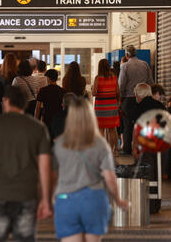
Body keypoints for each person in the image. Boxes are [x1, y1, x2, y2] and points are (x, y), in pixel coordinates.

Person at [0, 86, 53, 242]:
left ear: (7, 101)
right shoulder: (38, 128)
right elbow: (45, 167)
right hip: (26, 194)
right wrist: (45, 199)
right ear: (25, 104)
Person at [52, 98, 129, 242]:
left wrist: (49, 198)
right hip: (93, 198)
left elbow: (53, 175)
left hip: (66, 200)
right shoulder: (100, 143)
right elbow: (109, 176)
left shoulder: (60, 143)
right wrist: (118, 199)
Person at [130, 83, 165, 214]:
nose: (135, 97)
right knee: (157, 172)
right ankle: (156, 204)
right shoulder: (160, 106)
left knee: (146, 172)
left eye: (136, 94)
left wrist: (134, 147)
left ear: (139, 94)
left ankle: (147, 204)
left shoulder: (139, 107)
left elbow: (136, 129)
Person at [118, 45, 154, 155]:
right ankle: (143, 148)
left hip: (130, 99)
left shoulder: (125, 66)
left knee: (128, 125)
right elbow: (150, 82)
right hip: (144, 99)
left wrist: (122, 98)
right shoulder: (145, 64)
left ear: (126, 54)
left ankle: (128, 149)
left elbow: (121, 85)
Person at [92, 59, 120, 156]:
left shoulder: (98, 78)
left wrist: (93, 88)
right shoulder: (114, 77)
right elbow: (117, 92)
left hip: (101, 106)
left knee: (101, 129)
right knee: (112, 129)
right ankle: (113, 150)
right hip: (112, 105)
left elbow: (94, 93)